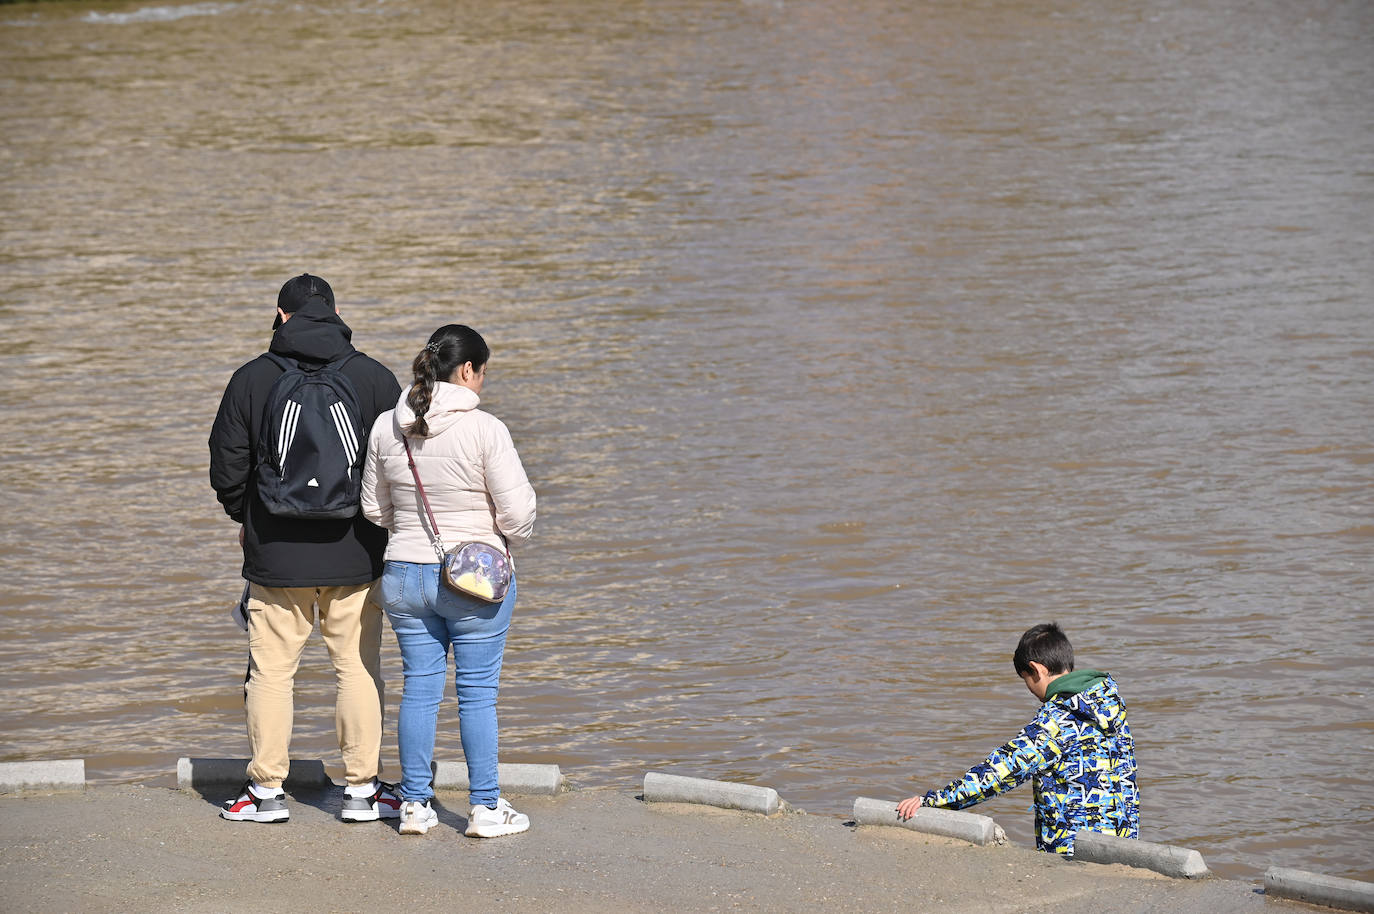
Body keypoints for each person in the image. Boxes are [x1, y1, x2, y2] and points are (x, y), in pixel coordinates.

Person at [209, 273, 403, 823]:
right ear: (336, 315)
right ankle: (362, 792)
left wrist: (245, 517)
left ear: (281, 314)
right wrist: (380, 527)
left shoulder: (251, 378)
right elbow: (397, 467)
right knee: (358, 669)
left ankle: (266, 794)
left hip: (275, 555)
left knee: (271, 673)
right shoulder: (372, 378)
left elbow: (226, 465)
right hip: (356, 553)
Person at [361, 324, 536, 837]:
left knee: (419, 687)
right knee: (477, 693)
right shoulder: (486, 429)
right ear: (467, 371)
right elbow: (519, 514)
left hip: (402, 575)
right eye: (483, 372)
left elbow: (374, 509)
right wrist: (495, 536)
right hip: (472, 581)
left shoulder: (384, 428)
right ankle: (484, 808)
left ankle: (414, 804)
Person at [895, 623, 1139, 856]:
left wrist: (933, 801)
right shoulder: (1108, 703)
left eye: (1026, 679)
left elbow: (1002, 771)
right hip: (1123, 843)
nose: (1030, 689)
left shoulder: (1058, 718)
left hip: (1077, 851)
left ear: (1037, 669)